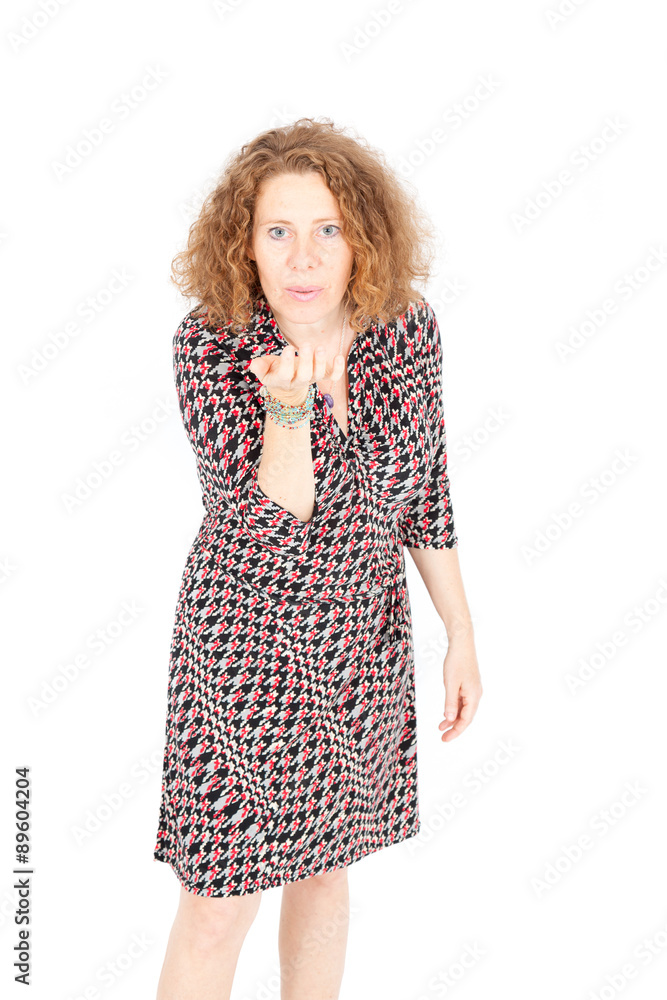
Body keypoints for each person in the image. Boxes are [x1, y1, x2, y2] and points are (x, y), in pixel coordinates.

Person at [153, 117, 482, 1000]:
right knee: (217, 902)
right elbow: (272, 523)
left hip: (360, 644)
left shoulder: (405, 330)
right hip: (245, 648)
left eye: (327, 230)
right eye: (278, 231)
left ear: (361, 239)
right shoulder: (211, 343)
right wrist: (289, 410)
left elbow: (425, 488)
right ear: (244, 245)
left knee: (325, 874)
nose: (303, 257)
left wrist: (458, 631)